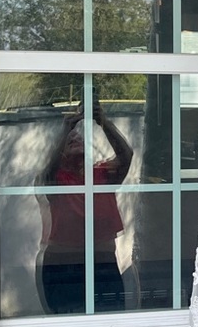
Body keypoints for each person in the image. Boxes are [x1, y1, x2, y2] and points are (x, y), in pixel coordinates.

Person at [37, 101, 133, 314]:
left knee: (110, 320)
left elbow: (126, 156)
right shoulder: (56, 178)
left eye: (78, 137)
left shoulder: (100, 174)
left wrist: (104, 123)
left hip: (103, 264)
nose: (75, 138)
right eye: (69, 141)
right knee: (68, 324)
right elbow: (47, 172)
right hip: (62, 268)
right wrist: (66, 128)